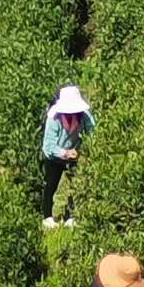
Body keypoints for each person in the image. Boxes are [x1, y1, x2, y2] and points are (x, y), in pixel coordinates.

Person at [41, 85, 95, 229]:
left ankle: (71, 215)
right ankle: (47, 217)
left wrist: (84, 149)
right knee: (51, 184)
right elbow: (48, 146)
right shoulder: (54, 118)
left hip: (74, 153)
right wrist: (64, 152)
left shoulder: (84, 115)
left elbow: (91, 131)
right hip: (54, 156)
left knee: (76, 185)